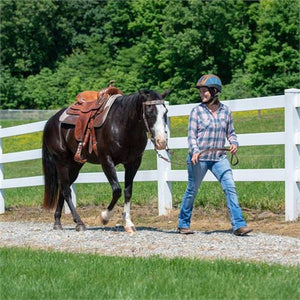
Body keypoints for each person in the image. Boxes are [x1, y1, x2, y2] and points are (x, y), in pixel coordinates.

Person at [178, 74, 253, 236]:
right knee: (192, 190)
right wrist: (195, 152)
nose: (201, 94)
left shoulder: (226, 111)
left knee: (230, 187)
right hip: (199, 158)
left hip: (219, 158)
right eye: (200, 91)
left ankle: (239, 225)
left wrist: (234, 143)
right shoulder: (196, 111)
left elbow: (231, 133)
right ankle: (183, 224)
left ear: (214, 91)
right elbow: (191, 136)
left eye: (205, 91)